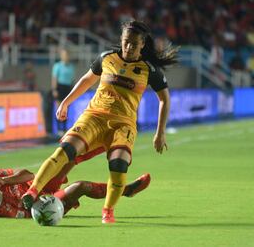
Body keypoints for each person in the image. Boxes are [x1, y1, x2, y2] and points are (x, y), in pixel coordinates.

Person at [21, 20, 177, 224]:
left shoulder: (150, 70)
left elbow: (164, 99)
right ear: (121, 40)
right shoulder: (106, 58)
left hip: (123, 125)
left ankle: (108, 211)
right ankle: (33, 191)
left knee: (119, 165)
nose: (129, 47)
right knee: (65, 151)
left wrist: (160, 132)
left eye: (134, 44)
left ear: (142, 45)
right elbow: (87, 80)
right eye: (126, 42)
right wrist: (66, 102)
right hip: (94, 117)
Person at [0, 164, 151, 218]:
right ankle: (126, 190)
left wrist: (5, 179)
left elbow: (28, 175)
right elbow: (32, 215)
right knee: (80, 186)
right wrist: (62, 202)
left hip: (39, 186)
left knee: (70, 157)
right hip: (44, 206)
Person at [52, 49, 75, 135]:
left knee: (66, 109)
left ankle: (64, 129)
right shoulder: (57, 66)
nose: (66, 57)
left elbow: (72, 80)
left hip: (67, 88)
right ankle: (58, 129)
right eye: (64, 55)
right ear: (61, 56)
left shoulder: (71, 67)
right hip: (60, 87)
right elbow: (54, 78)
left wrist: (73, 91)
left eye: (67, 55)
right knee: (59, 109)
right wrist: (54, 89)